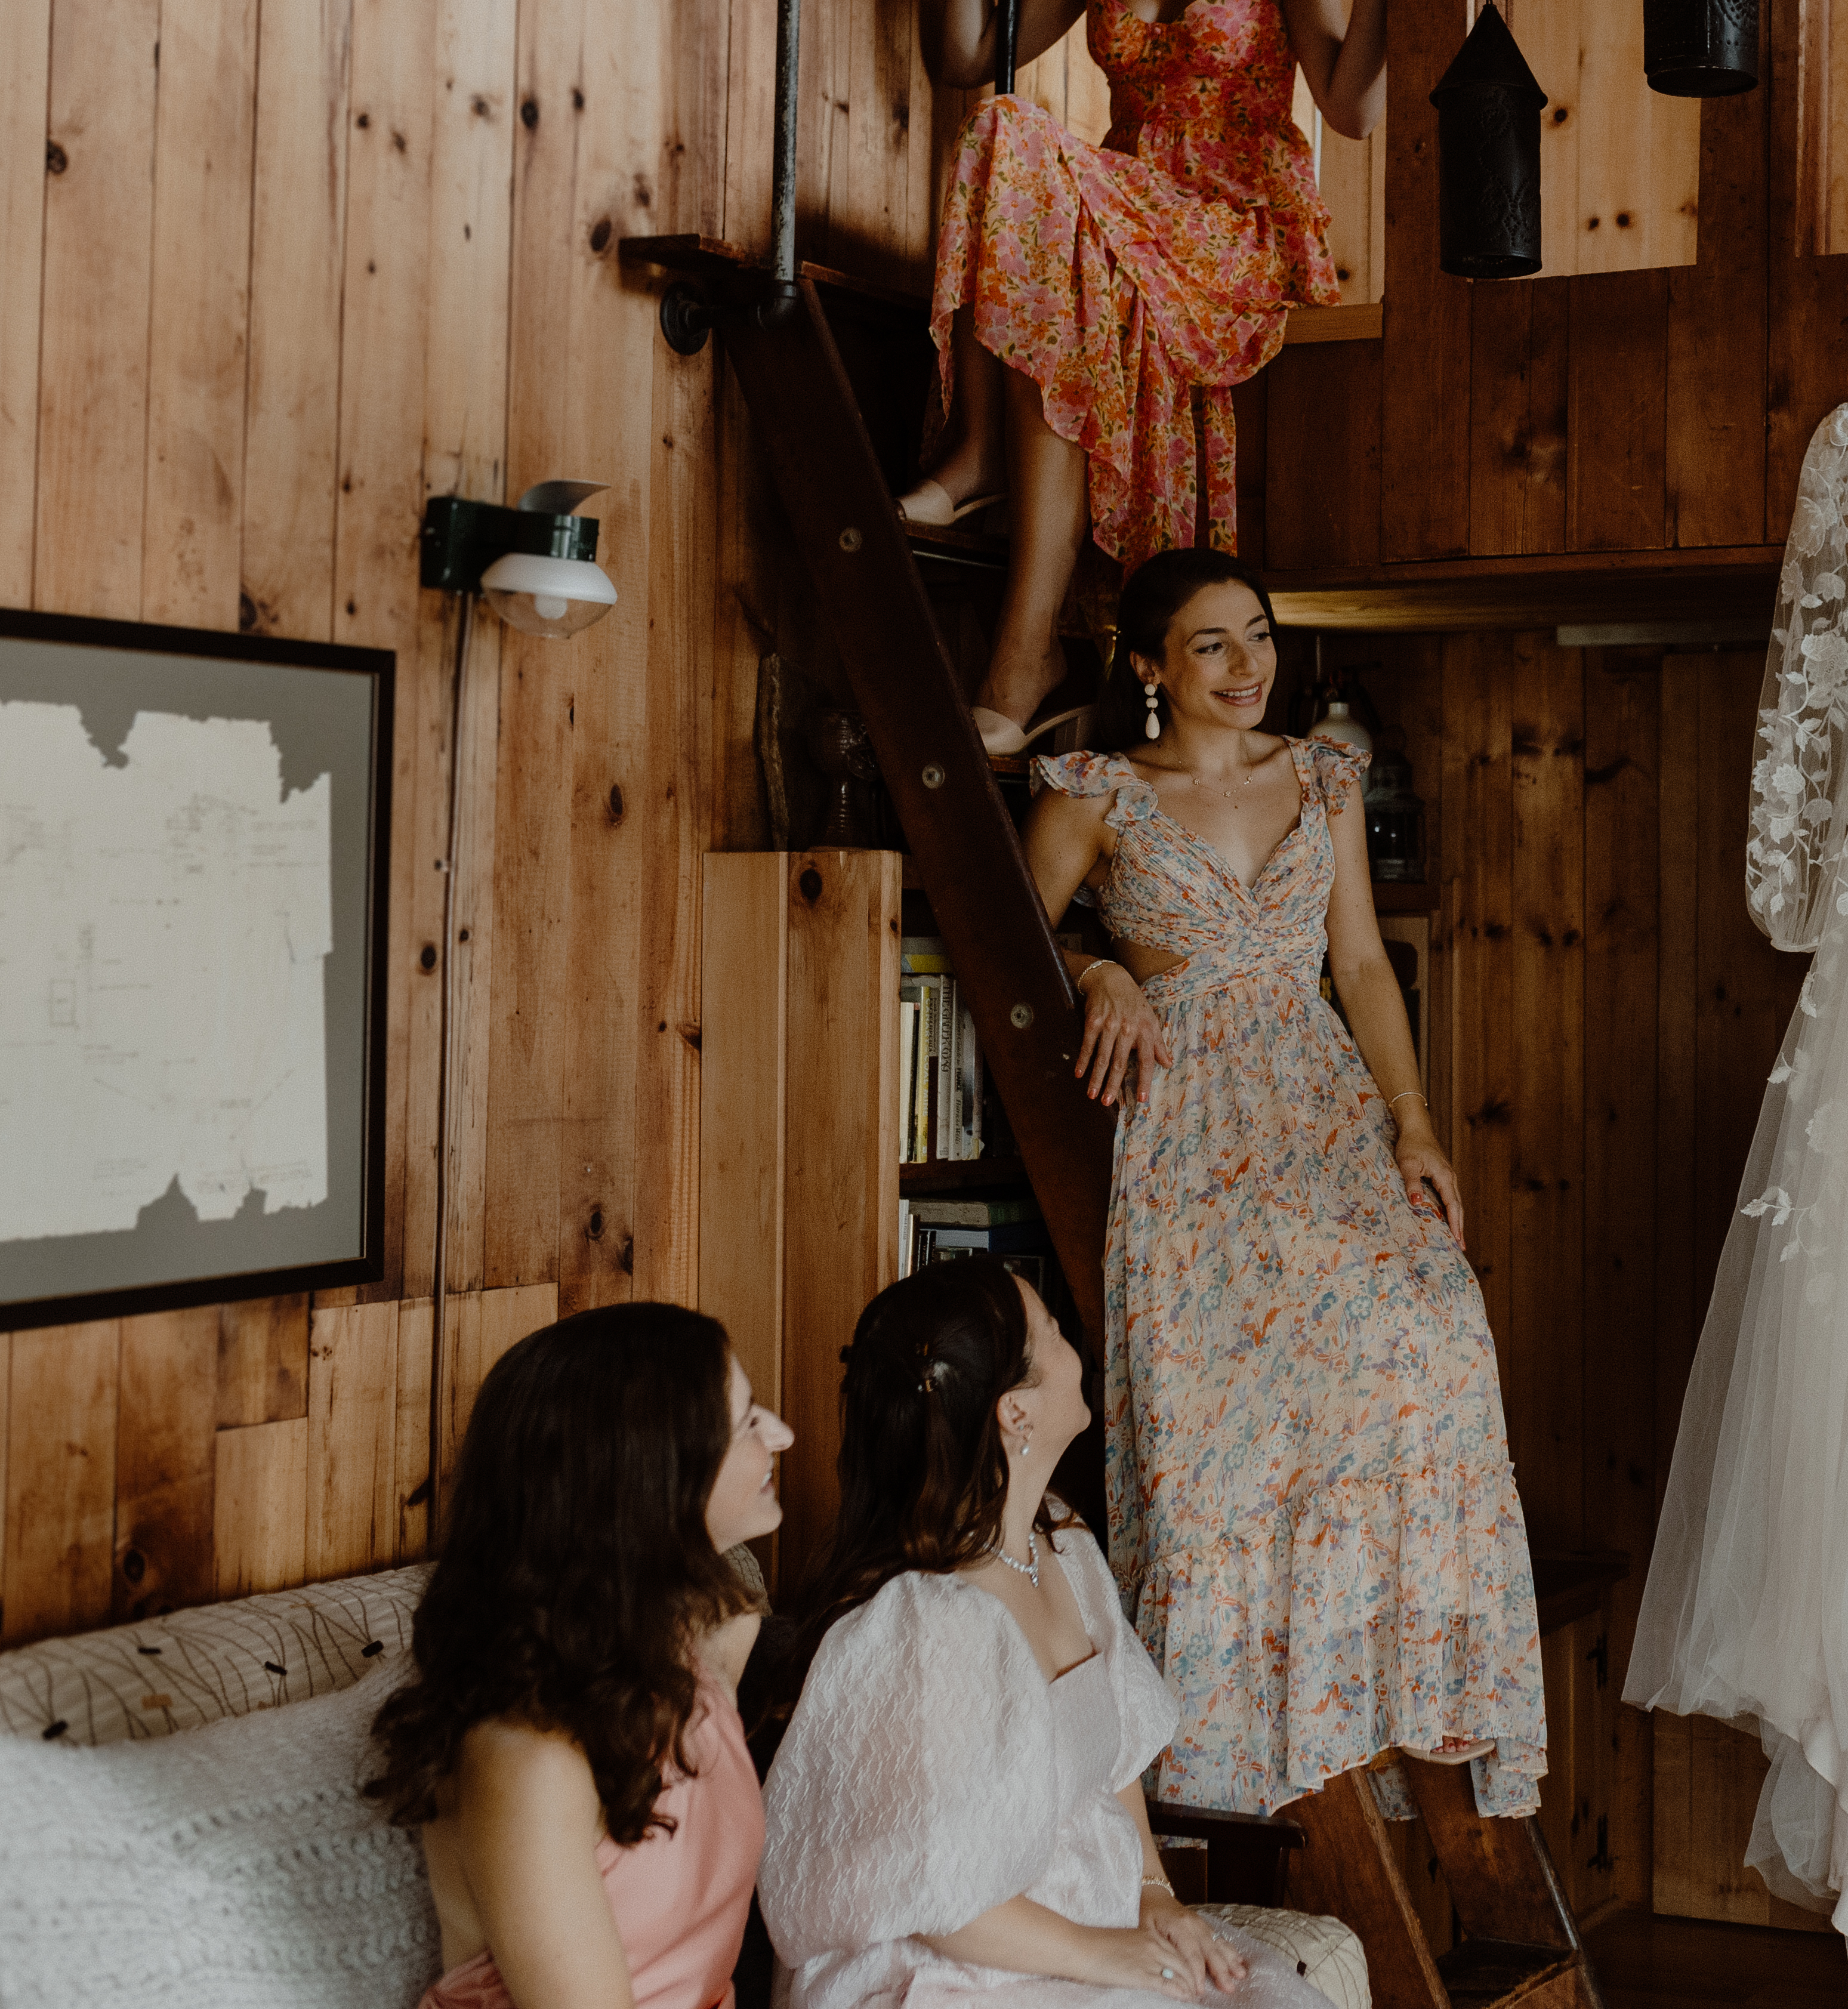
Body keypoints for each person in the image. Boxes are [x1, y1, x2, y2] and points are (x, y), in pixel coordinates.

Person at [1021, 547, 1545, 1816]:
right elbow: (1011, 938)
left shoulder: (1321, 772)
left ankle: (1397, 1682)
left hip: (1323, 1104)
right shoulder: (1095, 791)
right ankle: (1226, 1741)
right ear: (1149, 667)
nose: (1249, 665)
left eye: (1258, 636)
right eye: (1212, 644)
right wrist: (1098, 969)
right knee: (1222, 1435)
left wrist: (1413, 1123)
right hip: (1188, 1125)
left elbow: (1360, 962)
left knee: (1436, 1338)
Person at [921, 0, 1395, 753]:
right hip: (1123, 226)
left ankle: (985, 485)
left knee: (1025, 147)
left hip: (1233, 228)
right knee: (1003, 126)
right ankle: (1012, 588)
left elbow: (1355, 110)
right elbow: (959, 58)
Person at [756, 1263, 1331, 2008]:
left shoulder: (1066, 1551)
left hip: (1095, 1920)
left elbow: (1113, 1757)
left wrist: (1155, 1900)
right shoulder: (924, 1626)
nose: (1076, 1344)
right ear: (1015, 1413)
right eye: (1054, 1333)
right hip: (967, 1961)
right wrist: (1108, 1957)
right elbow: (934, 1892)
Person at [368, 1303, 794, 2009]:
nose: (781, 1433)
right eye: (748, 1421)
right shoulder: (526, 1757)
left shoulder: (704, 1644)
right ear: (649, 1480)